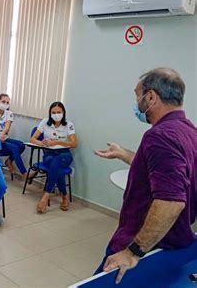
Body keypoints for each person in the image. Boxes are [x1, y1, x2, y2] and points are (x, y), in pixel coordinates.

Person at [93, 68, 196, 284]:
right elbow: (164, 171)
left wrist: (133, 252)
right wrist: (123, 153)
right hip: (176, 245)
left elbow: (172, 201)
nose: (136, 102)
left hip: (145, 245)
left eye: (137, 95)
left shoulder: (160, 136)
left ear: (150, 97)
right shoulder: (189, 132)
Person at [30, 102, 77, 213]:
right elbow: (33, 139)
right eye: (53, 112)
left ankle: (45, 196)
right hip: (49, 154)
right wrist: (42, 143)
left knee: (56, 163)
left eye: (59, 112)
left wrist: (58, 142)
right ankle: (65, 197)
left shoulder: (68, 124)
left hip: (64, 154)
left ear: (63, 113)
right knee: (57, 168)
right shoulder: (45, 122)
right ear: (50, 113)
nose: (56, 114)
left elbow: (74, 144)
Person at [0, 94, 27, 180]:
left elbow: (7, 127)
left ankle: (9, 161)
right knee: (14, 148)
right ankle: (25, 174)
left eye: (7, 102)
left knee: (21, 145)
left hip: (3, 138)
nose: (5, 104)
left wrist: (2, 134)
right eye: (3, 102)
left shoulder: (9, 113)